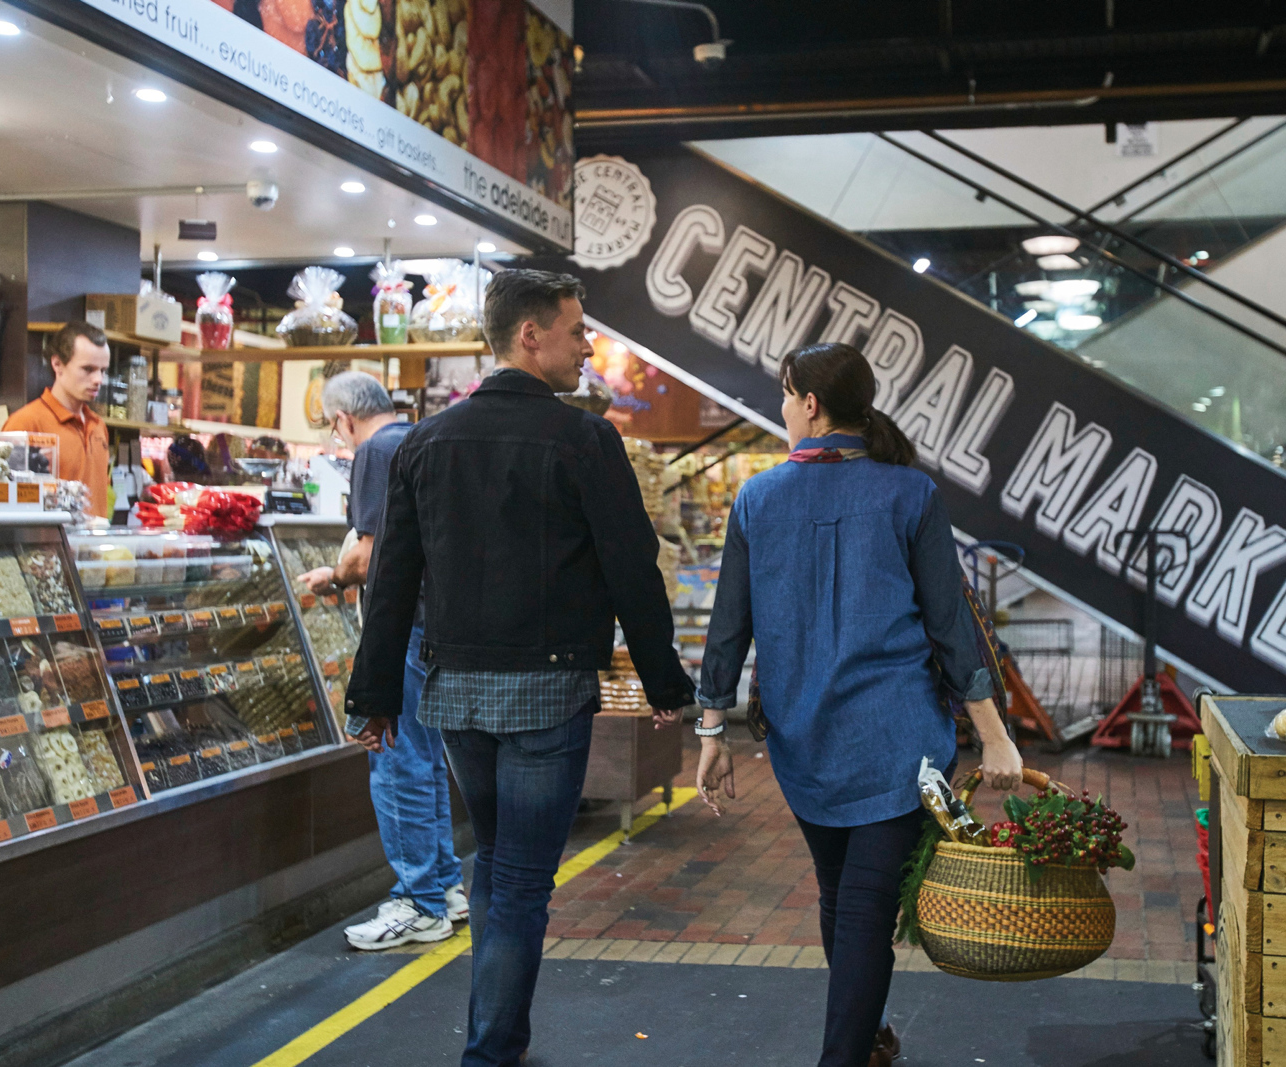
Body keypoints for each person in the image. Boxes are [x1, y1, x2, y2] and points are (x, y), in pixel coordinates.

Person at [346, 269, 693, 1067]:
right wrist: (664, 680)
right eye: (577, 331)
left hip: (455, 695)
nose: (588, 345)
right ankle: (491, 1050)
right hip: (548, 695)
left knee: (498, 860)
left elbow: (392, 576)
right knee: (522, 882)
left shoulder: (427, 442)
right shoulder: (584, 441)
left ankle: (495, 1036)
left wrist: (375, 696)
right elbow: (630, 567)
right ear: (530, 335)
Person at [694, 342, 1024, 1067]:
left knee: (847, 898)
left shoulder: (757, 498)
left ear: (810, 403)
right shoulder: (910, 493)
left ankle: (855, 1046)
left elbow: (729, 626)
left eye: (784, 394)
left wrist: (711, 726)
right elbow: (951, 623)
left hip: (802, 742)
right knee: (857, 904)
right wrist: (993, 735)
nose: (782, 408)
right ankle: (856, 1045)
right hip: (898, 740)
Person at [298, 371, 466, 949]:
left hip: (405, 630)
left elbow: (368, 557)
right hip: (439, 627)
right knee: (425, 760)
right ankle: (445, 887)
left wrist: (333, 575)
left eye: (332, 428)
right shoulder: (423, 439)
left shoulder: (376, 450)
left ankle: (418, 902)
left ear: (343, 419)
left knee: (394, 760)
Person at [2, 322, 111, 517]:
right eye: (88, 369)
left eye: (103, 370)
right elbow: (8, 502)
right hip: (48, 545)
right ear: (57, 364)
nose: (98, 380)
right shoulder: (25, 423)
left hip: (94, 544)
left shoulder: (98, 426)